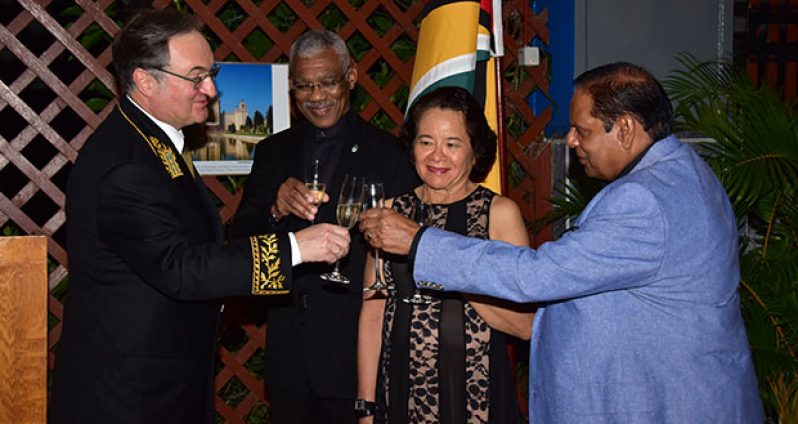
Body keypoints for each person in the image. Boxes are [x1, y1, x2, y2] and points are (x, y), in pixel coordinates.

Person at [359, 62, 764, 423]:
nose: (570, 140)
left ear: (624, 129)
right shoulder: (688, 172)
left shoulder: (641, 200)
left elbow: (537, 276)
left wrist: (420, 242)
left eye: (582, 129)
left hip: (662, 401)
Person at [50, 10, 351, 424]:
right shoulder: (125, 165)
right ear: (144, 80)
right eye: (195, 76)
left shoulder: (155, 142)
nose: (210, 89)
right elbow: (180, 267)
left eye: (210, 73)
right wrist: (296, 247)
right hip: (129, 396)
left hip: (164, 381)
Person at [227, 29, 418, 423]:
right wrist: (275, 211)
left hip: (356, 359)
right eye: (304, 86)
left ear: (351, 77)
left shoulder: (389, 154)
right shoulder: (271, 152)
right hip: (289, 357)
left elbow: (408, 256)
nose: (316, 96)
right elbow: (236, 243)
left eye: (328, 82)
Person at [356, 86, 534, 423]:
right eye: (426, 142)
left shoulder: (498, 213)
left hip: (475, 397)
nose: (437, 156)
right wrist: (365, 407)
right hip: (398, 397)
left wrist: (443, 263)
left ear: (475, 151)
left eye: (452, 144)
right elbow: (373, 313)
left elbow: (524, 324)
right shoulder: (391, 212)